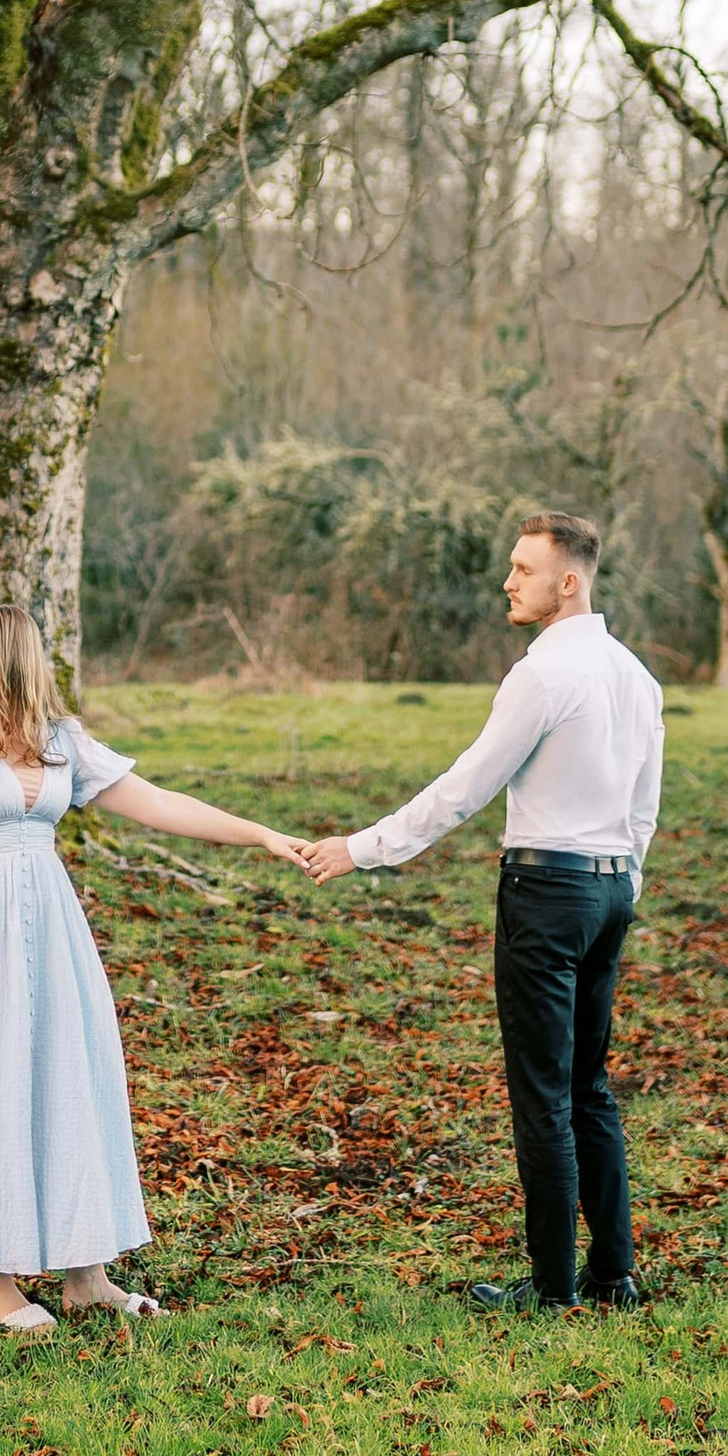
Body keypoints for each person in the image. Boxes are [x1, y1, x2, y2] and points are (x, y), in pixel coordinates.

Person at [0, 603, 308, 1336]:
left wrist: (262, 834)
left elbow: (159, 804)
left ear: (17, 657)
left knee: (65, 1073)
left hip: (50, 925)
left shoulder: (59, 740)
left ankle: (87, 1276)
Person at [297, 510, 661, 1316]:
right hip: (607, 890)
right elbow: (645, 804)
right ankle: (613, 1276)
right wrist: (625, 881)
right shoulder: (636, 674)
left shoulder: (542, 674)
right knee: (589, 1086)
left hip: (547, 892)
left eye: (523, 568)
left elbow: (464, 788)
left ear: (569, 581)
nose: (508, 580)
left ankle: (556, 1287)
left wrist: (362, 847)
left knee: (543, 1093)